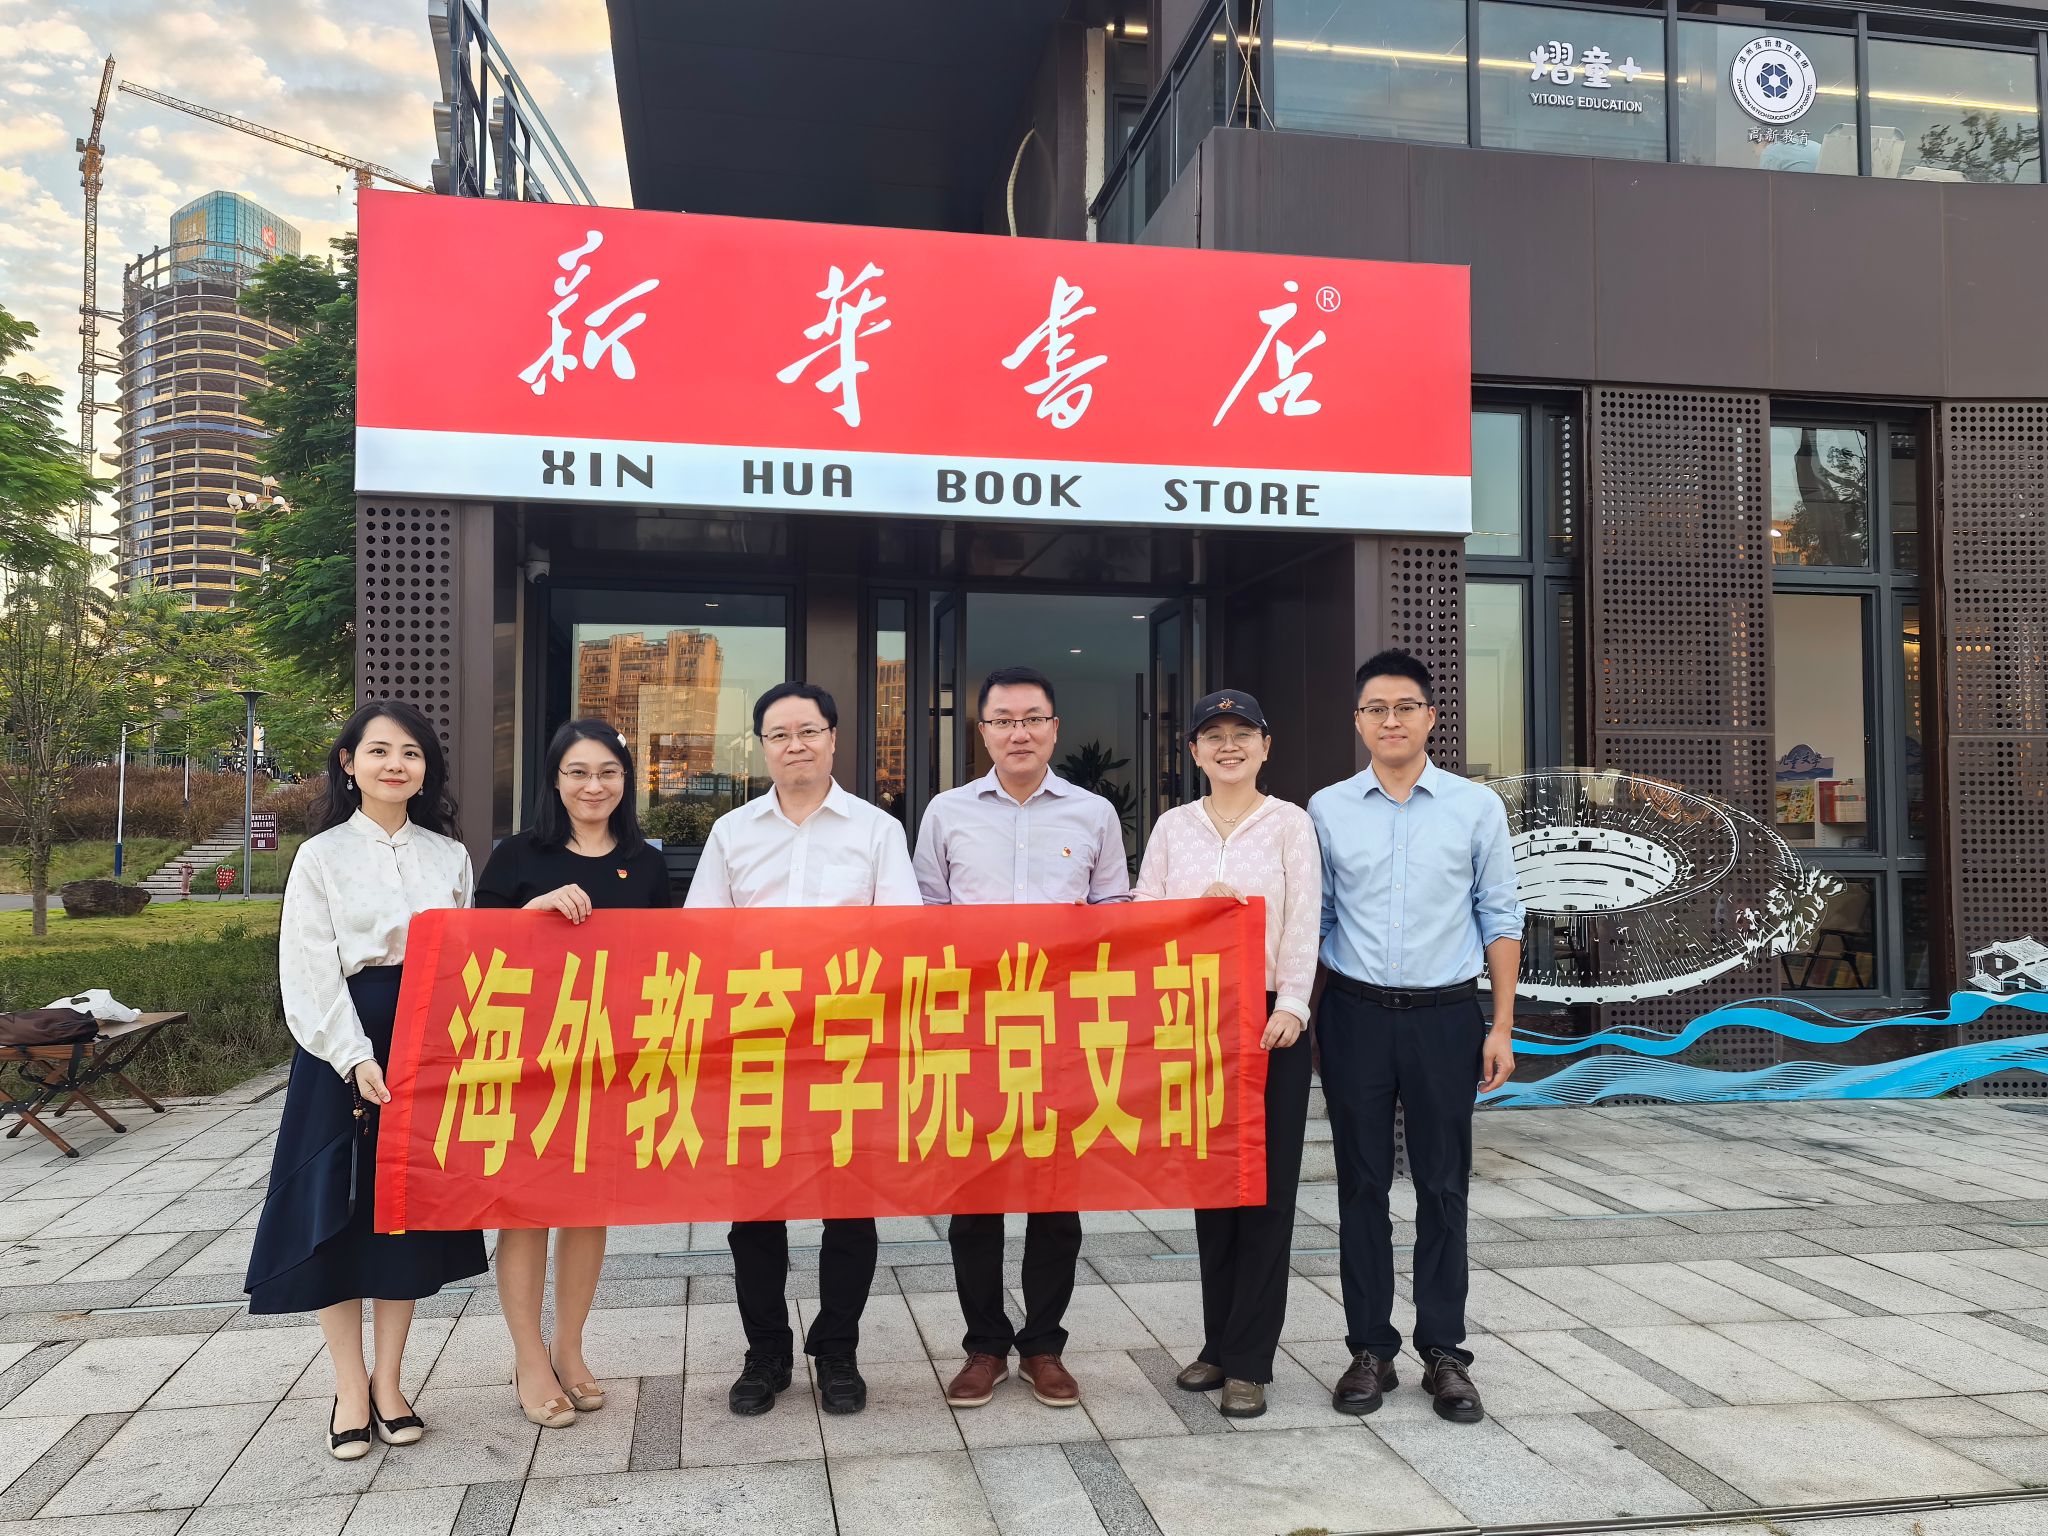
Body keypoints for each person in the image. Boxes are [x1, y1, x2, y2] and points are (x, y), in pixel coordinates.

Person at [244, 700, 488, 1460]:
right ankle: (349, 1387)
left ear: (426, 769)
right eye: (379, 751)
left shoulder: (449, 856)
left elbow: (468, 956)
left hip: (428, 1043)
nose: (395, 765)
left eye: (410, 753)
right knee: (340, 1214)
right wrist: (353, 1055)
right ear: (349, 764)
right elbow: (309, 968)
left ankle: (390, 1382)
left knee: (402, 1216)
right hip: (344, 1046)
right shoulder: (321, 857)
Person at [686, 682, 921, 1418]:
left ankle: (839, 1349)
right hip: (757, 1048)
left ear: (833, 738)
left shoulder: (877, 830)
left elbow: (903, 937)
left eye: (809, 731)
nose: (796, 745)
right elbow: (702, 938)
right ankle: (766, 1353)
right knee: (754, 1213)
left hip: (847, 1048)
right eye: (780, 734)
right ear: (762, 746)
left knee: (849, 1210)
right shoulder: (732, 833)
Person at [1308, 649, 1523, 1425]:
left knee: (1443, 1185)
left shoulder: (1474, 807)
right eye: (1376, 708)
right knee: (1362, 1187)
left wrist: (1501, 1026)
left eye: (1405, 706)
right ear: (1358, 720)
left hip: (1445, 1016)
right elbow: (1315, 920)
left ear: (1431, 716)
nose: (1391, 720)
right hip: (1355, 1014)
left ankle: (1444, 1352)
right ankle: (1370, 1349)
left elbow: (1500, 915)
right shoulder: (1327, 808)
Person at [913, 665, 1129, 1411]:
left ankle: (1043, 1345)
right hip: (974, 1031)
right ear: (983, 732)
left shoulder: (1094, 813)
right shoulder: (946, 812)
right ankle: (983, 1345)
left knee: (1055, 1196)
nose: (1019, 733)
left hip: (1061, 1030)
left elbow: (1115, 916)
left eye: (1032, 718)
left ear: (1054, 728)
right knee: (974, 1195)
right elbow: (925, 917)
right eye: (1003, 720)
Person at [475, 718, 672, 1429]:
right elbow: (473, 954)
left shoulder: (647, 863)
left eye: (609, 772)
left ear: (626, 781)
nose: (594, 786)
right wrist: (532, 912)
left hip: (611, 1061)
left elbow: (667, 963)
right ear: (555, 780)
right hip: (528, 1062)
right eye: (579, 772)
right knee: (525, 1212)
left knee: (590, 1209)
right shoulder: (516, 855)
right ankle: (529, 1357)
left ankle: (569, 1346)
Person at [1135, 690, 1320, 1422]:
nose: (1229, 746)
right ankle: (1217, 1343)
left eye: (1243, 733)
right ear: (1194, 751)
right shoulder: (1173, 827)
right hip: (1195, 1020)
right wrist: (1195, 915)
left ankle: (1250, 1361)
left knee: (1266, 1192)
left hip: (1269, 1021)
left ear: (1266, 747)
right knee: (1213, 1187)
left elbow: (1305, 919)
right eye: (1214, 735)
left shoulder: (1290, 824)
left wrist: (1293, 1005)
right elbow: (1144, 915)